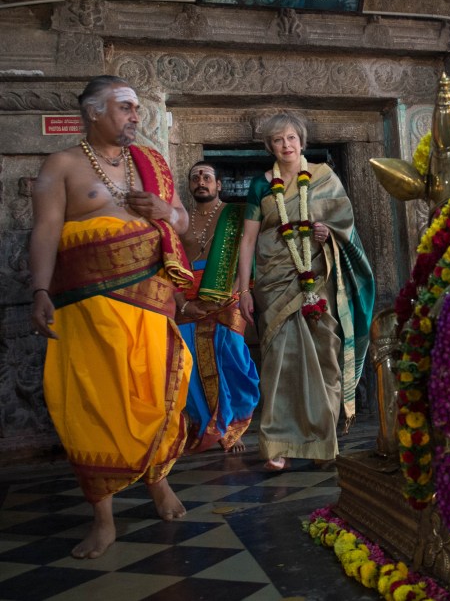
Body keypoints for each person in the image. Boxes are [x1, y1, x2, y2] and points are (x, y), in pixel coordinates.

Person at [29, 75, 195, 559]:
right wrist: (39, 288)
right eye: (125, 107)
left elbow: (180, 222)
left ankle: (159, 481)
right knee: (93, 403)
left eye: (137, 109)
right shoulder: (61, 165)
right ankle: (102, 516)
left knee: (162, 392)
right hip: (89, 310)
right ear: (93, 112)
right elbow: (44, 232)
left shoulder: (154, 165)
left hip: (152, 304)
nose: (134, 117)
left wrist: (165, 209)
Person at [236, 111, 375, 471]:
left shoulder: (324, 177)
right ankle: (276, 445)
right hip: (273, 280)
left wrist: (327, 234)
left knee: (324, 354)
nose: (286, 145)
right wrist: (243, 289)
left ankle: (322, 442)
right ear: (270, 145)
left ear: (302, 142)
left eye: (292, 138)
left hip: (318, 276)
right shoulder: (260, 186)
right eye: (278, 140)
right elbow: (248, 240)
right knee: (279, 361)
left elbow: (345, 226)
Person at [175, 161, 260, 453]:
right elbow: (168, 264)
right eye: (195, 176)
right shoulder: (180, 220)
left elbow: (249, 255)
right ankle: (206, 428)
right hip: (188, 298)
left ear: (219, 185)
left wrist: (235, 291)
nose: (201, 181)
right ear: (189, 185)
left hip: (228, 294)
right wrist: (182, 304)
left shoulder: (235, 216)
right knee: (189, 361)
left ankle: (233, 426)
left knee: (232, 358)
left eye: (207, 177)